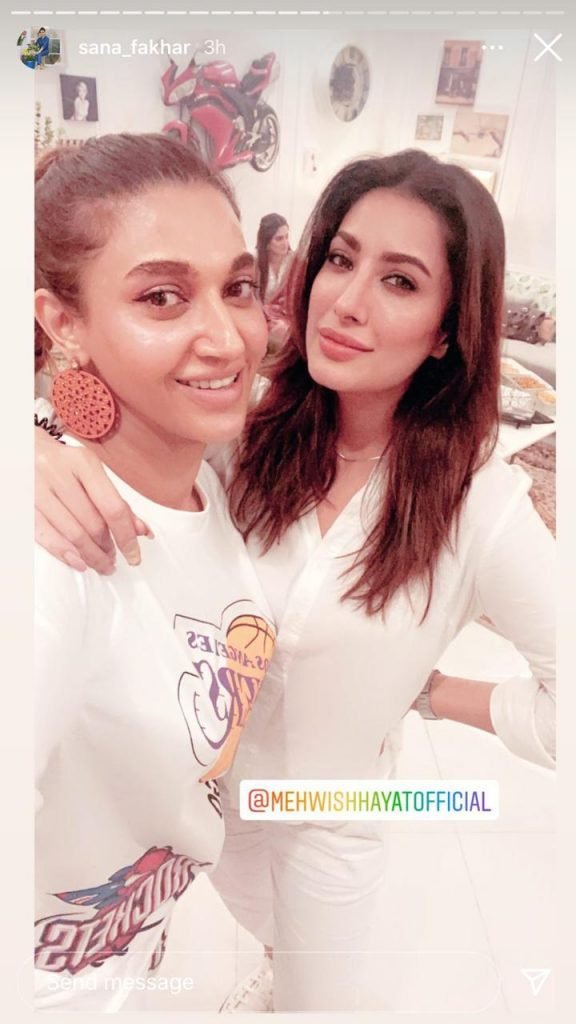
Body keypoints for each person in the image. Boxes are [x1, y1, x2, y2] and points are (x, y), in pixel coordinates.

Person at [34, 149, 555, 1011]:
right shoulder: (245, 431)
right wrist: (32, 446)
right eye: (341, 259)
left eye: (400, 281)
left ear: (447, 328)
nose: (347, 301)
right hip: (207, 803)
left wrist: (434, 694)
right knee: (266, 935)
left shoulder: (477, 505)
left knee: (319, 999)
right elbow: (110, 419)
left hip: (325, 816)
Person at [32, 132, 275, 1010]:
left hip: (142, 963)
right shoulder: (56, 551)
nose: (225, 338)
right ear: (63, 323)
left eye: (237, 288)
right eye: (162, 297)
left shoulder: (212, 483)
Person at [255, 212, 293, 353]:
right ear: (267, 243)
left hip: (286, 318)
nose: (285, 243)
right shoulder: (255, 262)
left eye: (287, 237)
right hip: (261, 318)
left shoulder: (294, 261)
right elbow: (252, 299)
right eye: (279, 239)